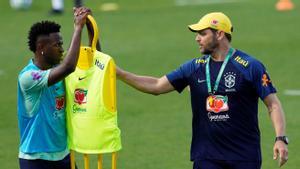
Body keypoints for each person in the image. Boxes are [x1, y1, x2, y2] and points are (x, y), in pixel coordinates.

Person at [116, 12, 288, 169]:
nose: (197, 39)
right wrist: (118, 73)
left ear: (219, 34)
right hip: (206, 157)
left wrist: (280, 139)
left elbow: (273, 104)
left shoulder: (250, 66)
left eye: (202, 34)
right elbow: (156, 86)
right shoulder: (194, 67)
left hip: (244, 157)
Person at [17, 7, 90, 169]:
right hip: (36, 159)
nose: (62, 49)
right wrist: (78, 28)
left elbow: (92, 56)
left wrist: (90, 26)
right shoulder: (28, 77)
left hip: (63, 156)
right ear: (41, 47)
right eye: (58, 45)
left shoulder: (58, 68)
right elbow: (68, 67)